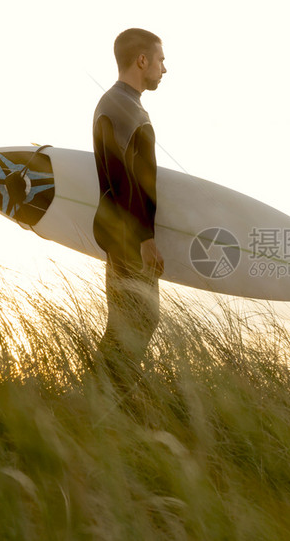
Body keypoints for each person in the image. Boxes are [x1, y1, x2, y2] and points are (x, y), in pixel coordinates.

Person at [92, 28, 167, 386]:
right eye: (160, 60)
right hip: (127, 236)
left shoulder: (123, 105)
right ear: (142, 60)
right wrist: (144, 239)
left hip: (122, 233)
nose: (164, 69)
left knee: (135, 320)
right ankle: (103, 395)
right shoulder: (123, 108)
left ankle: (110, 395)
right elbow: (128, 179)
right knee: (136, 319)